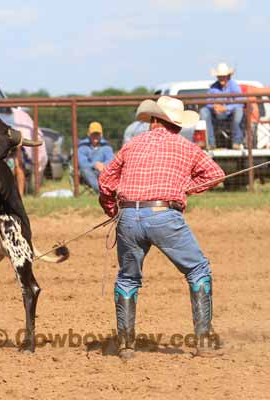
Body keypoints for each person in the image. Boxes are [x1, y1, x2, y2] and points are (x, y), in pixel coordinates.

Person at [98, 96, 225, 360]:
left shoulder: (132, 145)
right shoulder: (186, 147)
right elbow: (216, 174)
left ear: (154, 120)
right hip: (165, 215)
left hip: (129, 217)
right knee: (198, 269)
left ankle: (126, 345)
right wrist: (186, 187)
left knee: (127, 278)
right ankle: (203, 341)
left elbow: (106, 181)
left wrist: (113, 211)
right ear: (175, 125)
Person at [199, 62, 244, 149]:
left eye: (223, 76)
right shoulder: (213, 87)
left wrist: (225, 108)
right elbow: (208, 102)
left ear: (228, 76)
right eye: (219, 76)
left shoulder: (234, 86)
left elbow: (240, 102)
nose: (221, 78)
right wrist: (215, 106)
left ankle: (237, 142)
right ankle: (210, 143)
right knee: (204, 111)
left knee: (239, 111)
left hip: (230, 114)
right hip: (216, 114)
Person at [77, 121, 114, 193]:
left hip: (103, 171)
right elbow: (82, 163)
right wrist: (95, 165)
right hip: (88, 172)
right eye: (93, 134)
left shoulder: (106, 146)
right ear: (88, 134)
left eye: (97, 134)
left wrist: (103, 165)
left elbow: (111, 160)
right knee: (85, 170)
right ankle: (102, 192)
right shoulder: (82, 146)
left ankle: (112, 190)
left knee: (110, 170)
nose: (95, 136)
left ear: (101, 135)